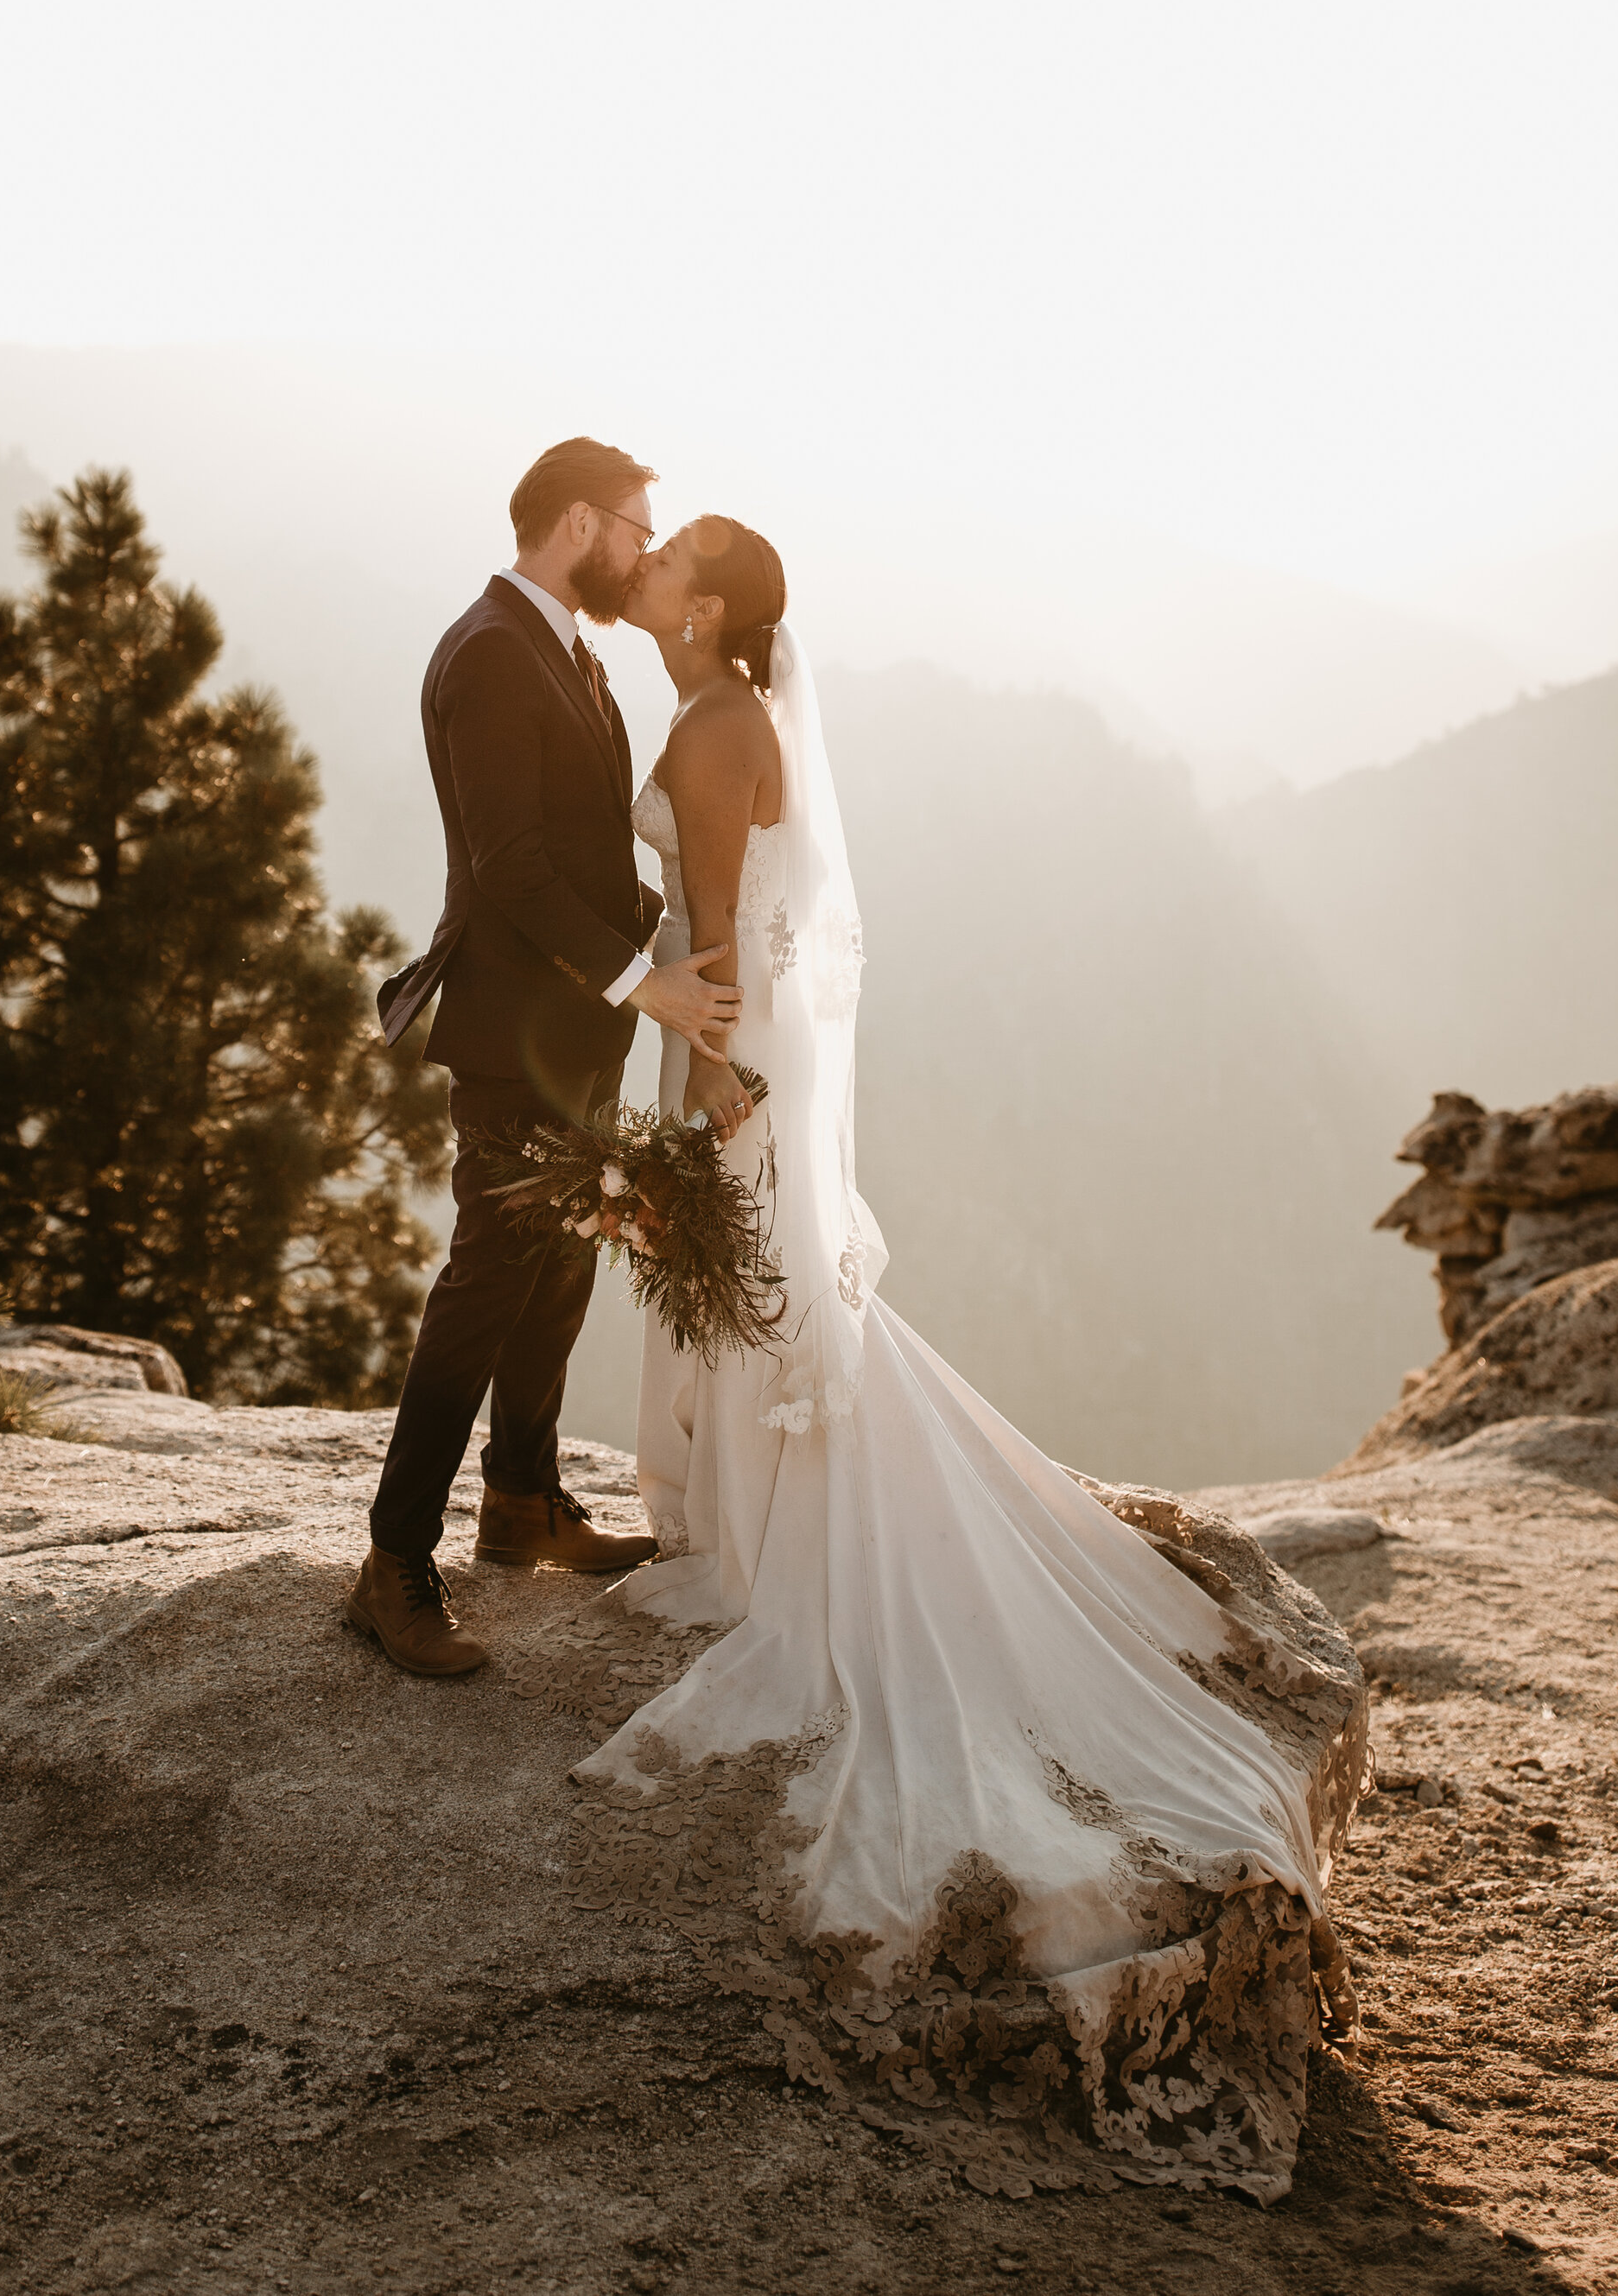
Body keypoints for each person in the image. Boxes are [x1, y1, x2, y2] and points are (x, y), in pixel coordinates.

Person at [582, 512, 1355, 2197]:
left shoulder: (714, 726)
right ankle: (750, 1510)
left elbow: (704, 930)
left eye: (666, 562)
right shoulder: (734, 714)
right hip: (738, 1038)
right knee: (769, 1303)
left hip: (724, 1050)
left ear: (703, 608)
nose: (641, 573)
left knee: (754, 1300)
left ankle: (763, 1535)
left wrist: (692, 1071)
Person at [347, 439, 743, 1678]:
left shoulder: (565, 648)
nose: (643, 549)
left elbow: (569, 847)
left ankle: (522, 1501)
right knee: (483, 1282)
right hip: (516, 1030)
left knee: (561, 1266)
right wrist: (648, 980)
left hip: (576, 1023)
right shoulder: (487, 655)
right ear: (579, 523)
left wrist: (651, 929)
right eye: (636, 525)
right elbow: (510, 865)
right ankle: (393, 1561)